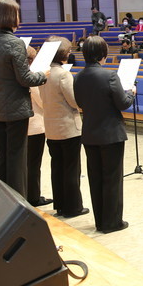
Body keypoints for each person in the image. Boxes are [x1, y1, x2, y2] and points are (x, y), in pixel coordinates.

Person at [0, 0, 48, 199]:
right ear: (11, 16)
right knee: (17, 158)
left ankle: (4, 200)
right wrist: (43, 75)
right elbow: (25, 78)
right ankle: (20, 203)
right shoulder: (15, 43)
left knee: (2, 157)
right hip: (15, 108)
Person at [74, 36, 135, 234]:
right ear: (103, 54)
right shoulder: (110, 76)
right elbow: (123, 103)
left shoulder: (78, 77)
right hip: (111, 134)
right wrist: (131, 92)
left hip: (90, 132)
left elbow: (80, 103)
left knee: (96, 177)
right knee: (112, 178)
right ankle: (113, 222)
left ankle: (100, 221)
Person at [40, 36, 87, 219]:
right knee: (71, 168)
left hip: (51, 126)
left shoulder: (44, 72)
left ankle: (60, 204)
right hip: (67, 127)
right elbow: (74, 101)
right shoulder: (63, 74)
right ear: (63, 54)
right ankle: (73, 207)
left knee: (57, 166)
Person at [25, 44, 49, 208]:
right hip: (35, 126)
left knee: (27, 163)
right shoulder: (31, 76)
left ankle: (28, 193)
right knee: (34, 164)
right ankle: (34, 196)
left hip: (25, 125)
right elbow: (41, 102)